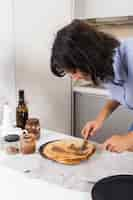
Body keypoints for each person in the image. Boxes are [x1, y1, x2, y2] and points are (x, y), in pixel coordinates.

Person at [50, 19, 133, 153]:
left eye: (75, 71)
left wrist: (127, 140)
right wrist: (99, 120)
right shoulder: (104, 68)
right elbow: (120, 94)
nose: (76, 78)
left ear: (88, 57)